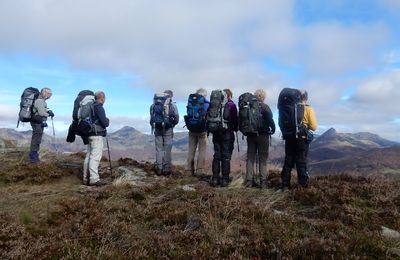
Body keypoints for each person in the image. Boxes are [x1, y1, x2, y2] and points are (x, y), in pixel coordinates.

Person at [280, 90, 317, 190]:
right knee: (301, 161)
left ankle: (285, 185)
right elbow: (313, 126)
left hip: (289, 136)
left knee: (288, 161)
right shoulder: (309, 109)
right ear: (306, 98)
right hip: (302, 138)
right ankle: (302, 187)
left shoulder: (288, 108)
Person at [244, 89, 275, 189]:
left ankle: (249, 181)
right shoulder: (265, 107)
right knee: (263, 159)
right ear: (263, 97)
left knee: (250, 157)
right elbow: (270, 120)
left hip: (251, 135)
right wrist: (273, 129)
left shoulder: (249, 106)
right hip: (263, 136)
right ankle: (263, 182)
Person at [210, 88, 238, 187]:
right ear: (229, 96)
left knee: (217, 155)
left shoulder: (215, 104)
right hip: (227, 133)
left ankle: (215, 178)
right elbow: (234, 121)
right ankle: (225, 179)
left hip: (216, 132)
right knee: (226, 156)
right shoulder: (232, 105)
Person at [83, 91, 110, 186]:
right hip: (97, 135)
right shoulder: (99, 107)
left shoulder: (90, 107)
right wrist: (107, 120)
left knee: (89, 156)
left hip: (88, 134)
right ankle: (94, 179)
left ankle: (85, 178)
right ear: (102, 98)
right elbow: (105, 123)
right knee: (95, 158)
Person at [150, 90, 179, 176]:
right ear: (171, 96)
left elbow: (152, 117)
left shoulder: (153, 104)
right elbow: (177, 119)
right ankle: (167, 169)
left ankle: (159, 168)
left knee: (158, 149)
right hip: (168, 129)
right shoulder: (172, 105)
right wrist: (171, 124)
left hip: (157, 128)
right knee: (167, 149)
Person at [186, 88, 210, 176]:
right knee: (202, 151)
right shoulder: (207, 104)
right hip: (202, 131)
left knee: (191, 150)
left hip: (191, 129)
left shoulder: (191, 101)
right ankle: (199, 170)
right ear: (204, 95)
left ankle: (189, 170)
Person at [29, 87, 54, 163]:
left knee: (37, 137)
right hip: (37, 122)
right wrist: (48, 114)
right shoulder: (40, 101)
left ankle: (34, 155)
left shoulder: (41, 101)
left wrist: (48, 111)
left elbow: (42, 110)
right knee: (37, 138)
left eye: (50, 94)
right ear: (44, 93)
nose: (50, 96)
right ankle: (33, 156)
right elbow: (41, 113)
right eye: (49, 94)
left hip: (38, 121)